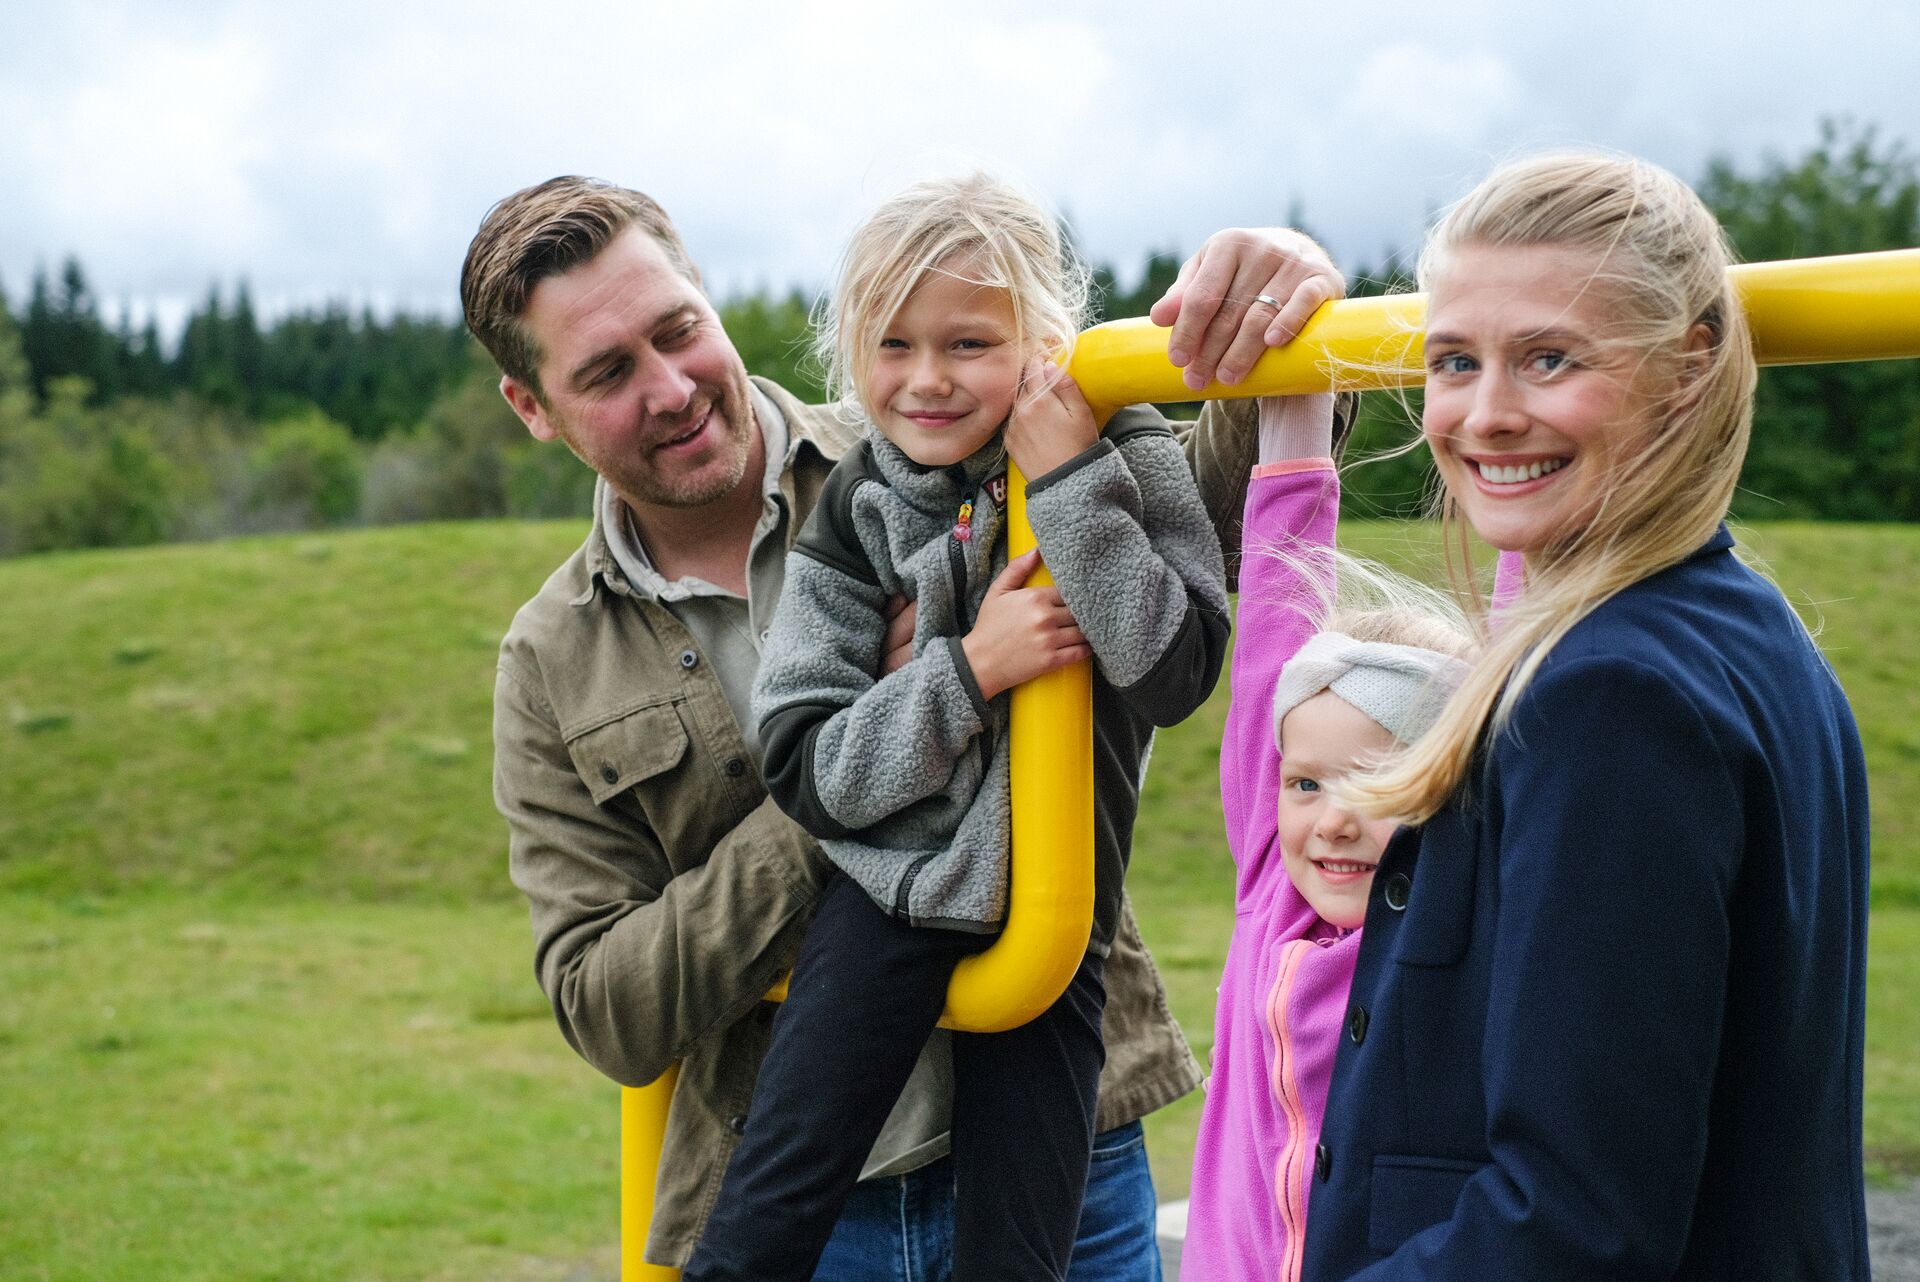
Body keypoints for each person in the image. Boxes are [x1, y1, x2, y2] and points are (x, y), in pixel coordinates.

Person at [463, 174, 1344, 1275]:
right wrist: (908, 721)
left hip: (1068, 1133)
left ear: (707, 296)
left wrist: (1285, 315)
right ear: (531, 406)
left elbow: (1194, 560)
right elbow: (609, 1010)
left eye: (677, 330)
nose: (671, 387)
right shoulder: (555, 657)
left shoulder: (965, 429)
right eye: (606, 372)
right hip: (809, 1203)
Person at [1301, 153, 1871, 1280]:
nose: (1486, 415)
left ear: (1689, 367)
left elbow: (1572, 1223)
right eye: (1455, 362)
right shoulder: (1748, 629)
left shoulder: (1612, 695)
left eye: (1549, 358)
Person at [684, 174, 1230, 1282]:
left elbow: (1173, 670)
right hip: (891, 889)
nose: (927, 378)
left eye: (969, 343)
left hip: (1061, 904)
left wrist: (1068, 480)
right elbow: (805, 763)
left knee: (1020, 1250)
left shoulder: (1119, 443)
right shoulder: (860, 503)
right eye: (893, 345)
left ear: (1041, 339)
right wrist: (971, 669)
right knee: (761, 1225)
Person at [1182, 391, 1473, 1282]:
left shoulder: (1468, 919)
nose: (1334, 818)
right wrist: (1295, 412)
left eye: (1378, 784)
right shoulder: (1270, 893)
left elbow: (1533, 636)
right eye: (1306, 784)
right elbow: (1275, 609)